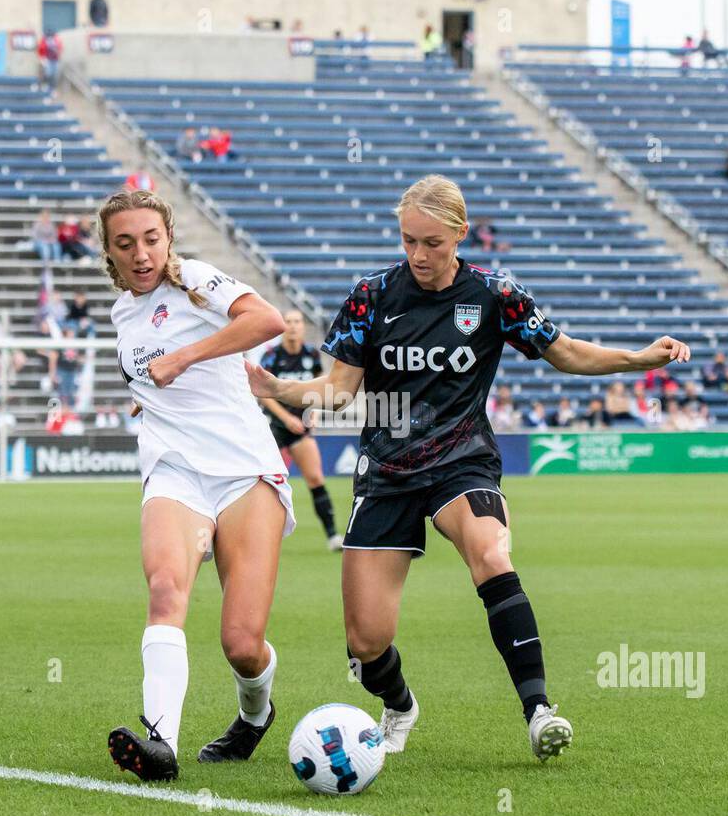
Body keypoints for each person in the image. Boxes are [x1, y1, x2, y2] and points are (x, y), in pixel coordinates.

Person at [248, 174, 690, 761]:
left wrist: (638, 359)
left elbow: (565, 352)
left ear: (459, 233)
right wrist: (276, 387)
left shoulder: (494, 295)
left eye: (431, 242)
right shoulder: (371, 296)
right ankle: (400, 703)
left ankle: (538, 711)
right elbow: (338, 390)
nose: (418, 254)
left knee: (492, 552)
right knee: (365, 641)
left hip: (462, 460)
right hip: (386, 469)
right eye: (408, 240)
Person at [101, 188, 295, 783]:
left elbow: (266, 320)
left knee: (241, 642)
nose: (141, 253)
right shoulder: (120, 314)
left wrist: (185, 358)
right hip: (174, 468)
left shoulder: (197, 281)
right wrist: (149, 398)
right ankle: (161, 743)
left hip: (243, 469)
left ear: (168, 238)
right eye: (125, 243)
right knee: (165, 591)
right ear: (108, 253)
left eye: (151, 239)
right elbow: (151, 378)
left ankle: (253, 714)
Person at [258, 310, 342, 551]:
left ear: (303, 327)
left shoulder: (311, 354)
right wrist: (285, 418)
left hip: (299, 428)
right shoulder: (271, 356)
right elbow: (263, 394)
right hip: (274, 427)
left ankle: (332, 536)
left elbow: (319, 384)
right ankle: (257, 537)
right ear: (282, 326)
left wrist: (312, 411)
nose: (293, 326)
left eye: (297, 322)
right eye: (288, 322)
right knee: (261, 482)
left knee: (315, 478)